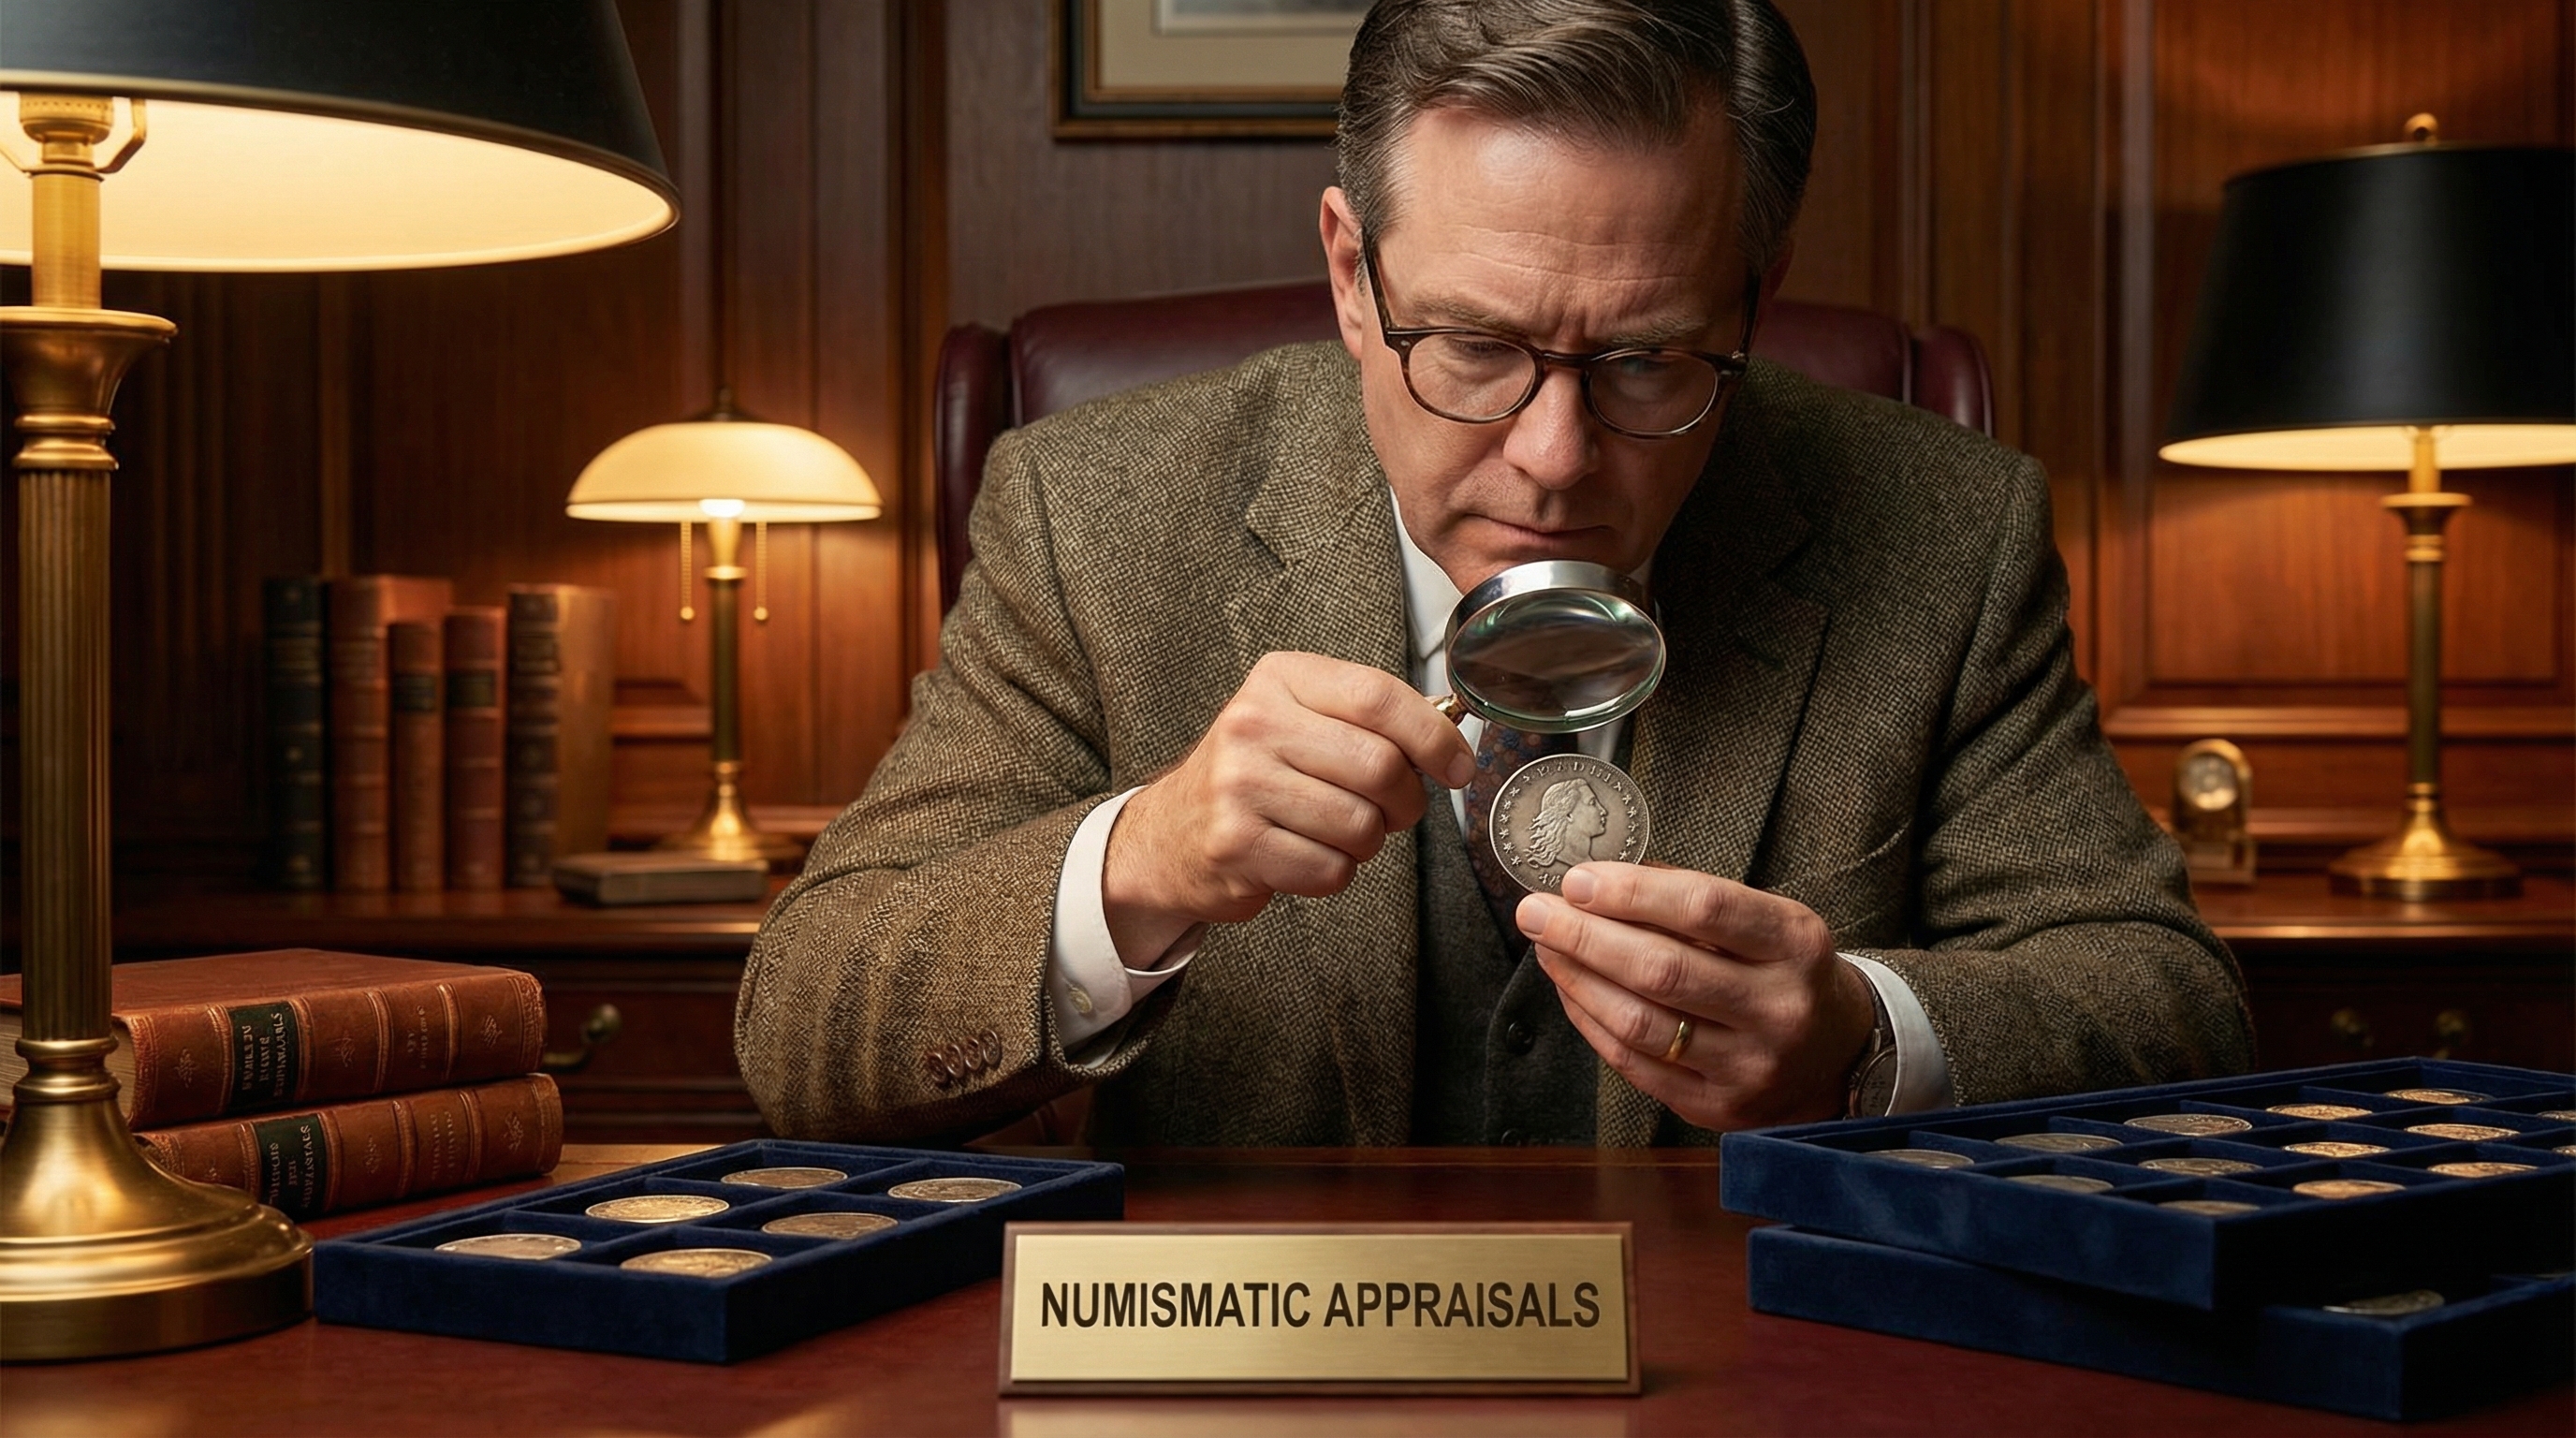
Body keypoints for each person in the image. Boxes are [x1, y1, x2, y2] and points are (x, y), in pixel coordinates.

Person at [735, 0, 2253, 1148]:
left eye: (1649, 358)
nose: (1552, 459)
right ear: (1352, 275)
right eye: (1472, 345)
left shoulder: (1948, 527)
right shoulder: (1090, 508)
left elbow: (2168, 1009)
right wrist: (1142, 861)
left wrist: (1861, 1038)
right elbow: (806, 1028)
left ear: (1756, 293)